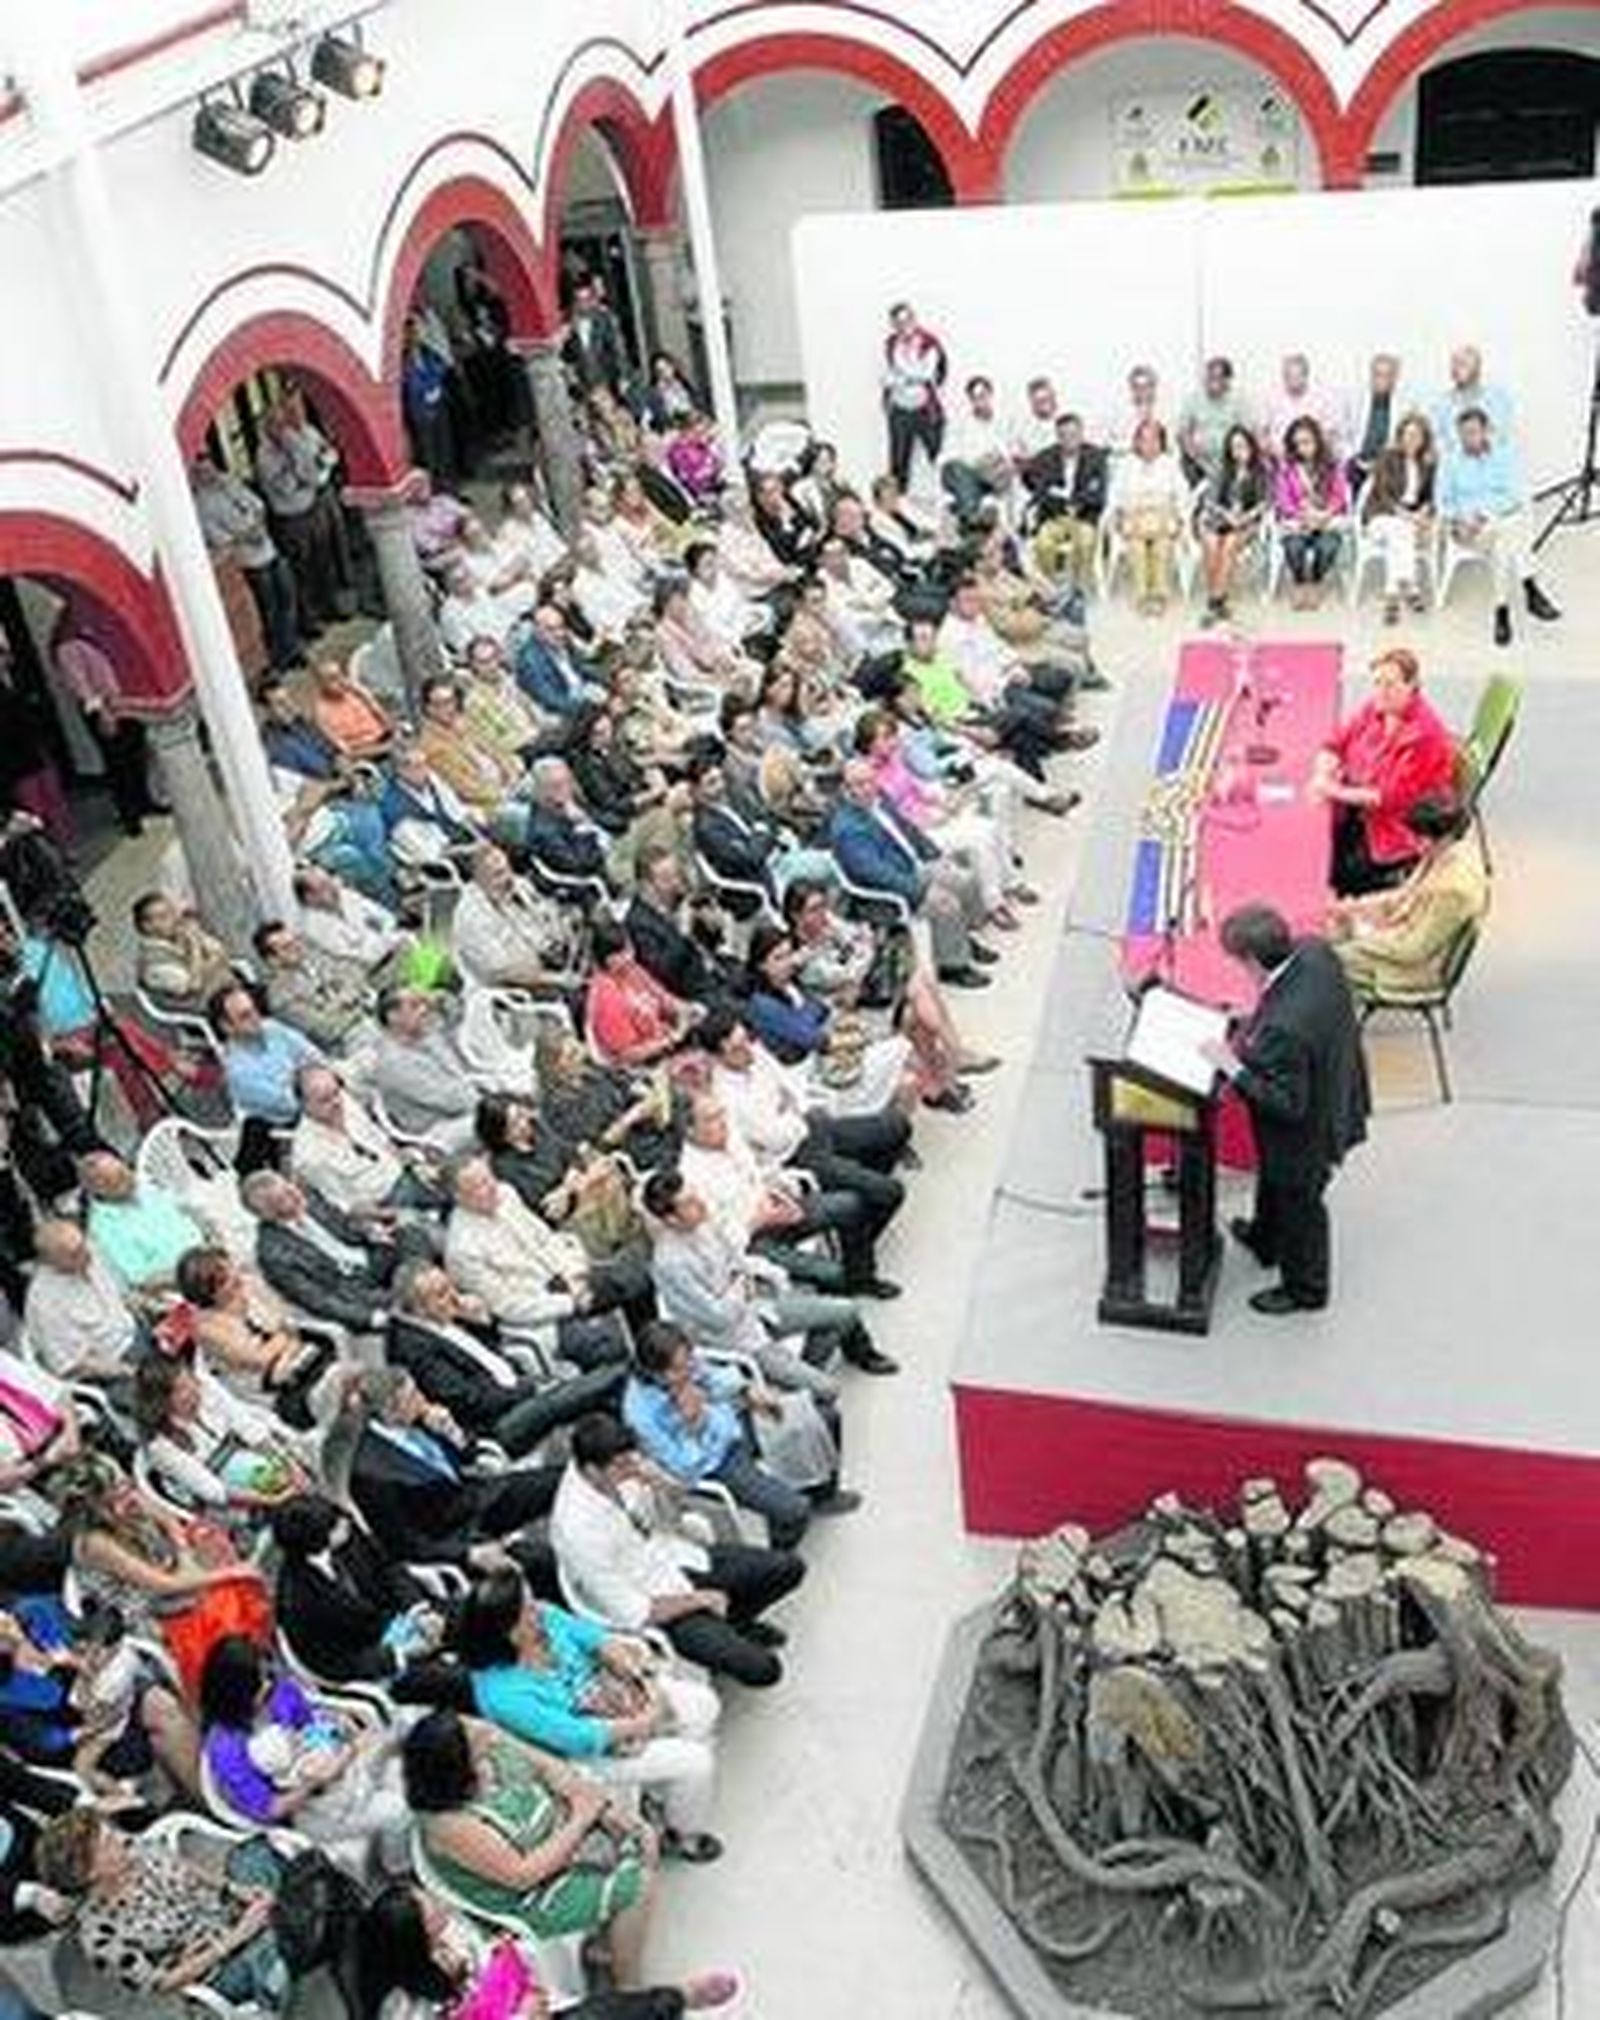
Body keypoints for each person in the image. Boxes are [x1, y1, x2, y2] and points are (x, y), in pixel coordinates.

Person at [455, 1567, 723, 1861]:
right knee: (696, 1763)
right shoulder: (503, 1693)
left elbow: (594, 1639)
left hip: (612, 1696)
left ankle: (662, 1793)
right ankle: (682, 1833)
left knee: (703, 1704)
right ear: (510, 1632)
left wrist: (631, 1671)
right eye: (528, 1610)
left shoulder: (543, 1618)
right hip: (583, 1755)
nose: (539, 1609)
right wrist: (646, 1720)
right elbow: (579, 1738)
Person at [552, 1413, 803, 1690]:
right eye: (622, 1466)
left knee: (788, 1567)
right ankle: (723, 1637)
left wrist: (663, 1485)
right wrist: (699, 1599)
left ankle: (735, 1625)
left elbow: (672, 1516)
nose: (632, 1468)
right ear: (592, 1470)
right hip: (655, 1600)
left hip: (676, 1557)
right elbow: (635, 1612)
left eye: (632, 1459)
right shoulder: (578, 1529)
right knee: (765, 1669)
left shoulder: (622, 1467)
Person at [1205, 904, 1370, 1316]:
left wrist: (1233, 1067)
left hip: (1306, 1134)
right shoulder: (1314, 952)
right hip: (1335, 1085)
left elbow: (1287, 1105)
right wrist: (1253, 1022)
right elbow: (1287, 1004)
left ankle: (1306, 1288)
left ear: (1253, 960)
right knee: (1274, 1181)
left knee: (1301, 1205)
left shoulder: (1284, 1027)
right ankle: (1266, 1239)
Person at [36, 1806, 291, 2007]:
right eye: (108, 1843)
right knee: (273, 1945)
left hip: (222, 1912)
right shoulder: (100, 1939)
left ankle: (281, 1927)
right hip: (212, 1966)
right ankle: (280, 1935)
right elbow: (161, 1984)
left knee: (254, 1852)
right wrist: (236, 1938)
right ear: (89, 1873)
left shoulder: (135, 1849)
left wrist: (235, 1889)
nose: (122, 1838)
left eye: (111, 1831)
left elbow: (184, 1866)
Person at [198, 1634, 408, 1862]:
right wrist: (316, 1780)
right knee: (399, 1811)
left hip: (333, 1768)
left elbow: (310, 1725)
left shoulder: (278, 1690)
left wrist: (337, 1730)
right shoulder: (226, 1747)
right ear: (234, 1694)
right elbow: (270, 1808)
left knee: (403, 1774)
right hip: (305, 1810)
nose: (269, 1684)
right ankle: (398, 1869)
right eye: (259, 1683)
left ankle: (394, 1850)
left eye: (267, 1675)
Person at [1311, 648, 1457, 897]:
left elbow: (1387, 798)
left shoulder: (1425, 736)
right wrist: (1322, 772)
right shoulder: (1376, 708)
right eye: (1377, 682)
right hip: (1360, 810)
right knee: (1313, 842)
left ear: (1413, 685)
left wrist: (1331, 790)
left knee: (1328, 869)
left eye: (1390, 684)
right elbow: (1335, 743)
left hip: (1394, 831)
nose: (1381, 691)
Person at [271, 1494, 448, 1692]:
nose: (346, 1522)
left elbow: (388, 1568)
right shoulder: (299, 1603)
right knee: (457, 1681)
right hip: (379, 1662)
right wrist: (402, 1653)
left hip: (406, 1617)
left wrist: (420, 1611)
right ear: (318, 1539)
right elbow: (333, 1663)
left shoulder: (347, 1536)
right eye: (335, 1525)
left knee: (476, 1621)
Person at [1329, 796, 1488, 999]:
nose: (1414, 844)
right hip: (1402, 934)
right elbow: (1404, 895)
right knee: (1332, 930)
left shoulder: (1452, 889)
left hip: (1414, 968)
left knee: (1326, 958)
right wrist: (1351, 907)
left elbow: (1414, 949)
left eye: (1421, 838)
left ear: (1445, 837)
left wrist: (1363, 935)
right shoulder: (1441, 854)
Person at [1436, 407, 1561, 647]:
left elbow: (1514, 496)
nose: (1467, 438)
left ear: (1486, 431)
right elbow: (1443, 501)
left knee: (1505, 539)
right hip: (1467, 530)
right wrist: (1459, 520)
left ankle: (1501, 611)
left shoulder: (1503, 457)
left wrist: (1483, 514)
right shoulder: (1450, 461)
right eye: (1462, 433)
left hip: (1494, 522)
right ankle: (1531, 588)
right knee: (1513, 530)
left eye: (1473, 432)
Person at [209, 980, 324, 1126]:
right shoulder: (238, 1072)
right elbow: (290, 1105)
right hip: (295, 1128)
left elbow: (314, 1054)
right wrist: (309, 1075)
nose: (256, 1018)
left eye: (254, 1010)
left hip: (321, 1095)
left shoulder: (271, 1027)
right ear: (227, 1027)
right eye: (245, 1016)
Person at [586, 917, 696, 1066]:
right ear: (606, 960)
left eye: (628, 949)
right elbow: (625, 1054)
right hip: (643, 1065)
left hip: (667, 1042)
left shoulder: (632, 971)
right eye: (620, 954)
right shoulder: (605, 996)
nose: (629, 956)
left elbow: (662, 997)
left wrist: (686, 1010)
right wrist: (670, 1040)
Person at [1108, 417, 1187, 616]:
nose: (1149, 445)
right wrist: (1119, 514)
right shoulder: (1126, 465)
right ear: (1136, 442)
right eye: (1144, 440)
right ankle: (1142, 596)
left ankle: (1159, 595)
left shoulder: (1170, 464)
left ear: (1162, 443)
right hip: (1134, 516)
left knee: (1162, 546)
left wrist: (1179, 516)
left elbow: (1183, 494)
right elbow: (1115, 495)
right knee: (1137, 547)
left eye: (1155, 440)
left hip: (1162, 515)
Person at [1363, 412, 1437, 623]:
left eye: (1417, 436)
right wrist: (1406, 516)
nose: (1412, 440)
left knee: (1401, 533)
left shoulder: (1427, 463)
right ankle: (1410, 588)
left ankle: (1392, 594)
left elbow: (1431, 497)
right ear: (1400, 436)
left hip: (1408, 522)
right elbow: (1382, 494)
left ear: (1424, 439)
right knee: (1400, 528)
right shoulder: (1387, 457)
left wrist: (1425, 512)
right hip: (1380, 515)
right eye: (1407, 435)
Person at [1026, 412, 1109, 594]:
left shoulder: (1096, 458)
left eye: (1073, 434)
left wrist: (1071, 499)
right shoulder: (1045, 458)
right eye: (1064, 435)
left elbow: (1099, 495)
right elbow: (1040, 493)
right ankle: (1051, 591)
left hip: (1084, 517)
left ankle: (1079, 590)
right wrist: (1064, 500)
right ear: (1058, 437)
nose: (1069, 440)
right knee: (1043, 543)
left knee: (1086, 541)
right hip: (1054, 516)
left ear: (1081, 434)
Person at [1273, 417, 1350, 610]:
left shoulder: (1332, 467)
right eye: (1298, 443)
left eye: (1307, 442)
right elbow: (1283, 500)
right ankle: (1299, 582)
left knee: (1328, 547)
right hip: (1298, 521)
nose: (1303, 448)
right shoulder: (1287, 469)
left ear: (1317, 441)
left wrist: (1324, 515)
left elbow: (1339, 497)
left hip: (1326, 520)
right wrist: (1302, 515)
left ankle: (1316, 581)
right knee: (1294, 547)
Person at [1198, 425, 1269, 627]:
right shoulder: (1221, 469)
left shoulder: (1260, 471)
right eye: (1234, 447)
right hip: (1218, 518)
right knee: (1211, 545)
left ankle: (1215, 601)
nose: (1239, 452)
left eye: (1243, 446)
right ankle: (1217, 599)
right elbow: (1210, 501)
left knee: (1229, 545)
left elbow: (1265, 503)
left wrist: (1245, 517)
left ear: (1251, 447)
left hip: (1246, 522)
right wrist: (1227, 515)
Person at [880, 301, 947, 488]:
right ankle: (895, 504)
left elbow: (927, 374)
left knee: (940, 457)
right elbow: (887, 377)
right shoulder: (891, 344)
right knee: (898, 461)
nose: (904, 327)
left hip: (925, 408)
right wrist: (905, 377)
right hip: (900, 408)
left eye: (907, 320)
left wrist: (902, 377)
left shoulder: (929, 342)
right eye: (898, 323)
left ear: (914, 319)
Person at [132, 892, 233, 1009]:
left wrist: (197, 936)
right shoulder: (153, 964)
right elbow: (194, 985)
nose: (175, 920)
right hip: (204, 1010)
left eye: (172, 913)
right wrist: (195, 945)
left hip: (226, 995)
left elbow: (220, 952)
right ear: (147, 926)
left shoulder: (180, 938)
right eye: (164, 916)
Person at [940, 375, 1014, 526]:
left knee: (997, 473)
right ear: (970, 400)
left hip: (990, 474)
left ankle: (970, 518)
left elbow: (1009, 451)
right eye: (975, 398)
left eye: (983, 396)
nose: (980, 401)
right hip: (962, 471)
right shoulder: (959, 423)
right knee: (957, 470)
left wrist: (996, 460)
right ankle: (973, 516)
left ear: (990, 395)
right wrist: (974, 463)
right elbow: (948, 455)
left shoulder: (1003, 422)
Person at [1178, 355, 1247, 484]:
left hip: (1230, 460)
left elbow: (1246, 434)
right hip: (1200, 462)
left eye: (1218, 378)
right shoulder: (1193, 399)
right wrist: (1193, 453)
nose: (1213, 382)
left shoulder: (1239, 401)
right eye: (1210, 377)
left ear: (1228, 380)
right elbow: (1183, 432)